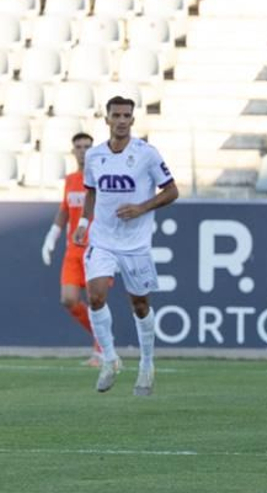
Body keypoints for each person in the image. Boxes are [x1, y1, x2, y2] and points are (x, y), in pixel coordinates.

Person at [74, 97, 179, 396]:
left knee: (140, 305)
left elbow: (172, 190)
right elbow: (91, 191)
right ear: (106, 119)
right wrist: (84, 223)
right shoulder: (94, 156)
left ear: (133, 120)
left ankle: (147, 363)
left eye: (127, 116)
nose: (121, 120)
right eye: (116, 115)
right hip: (103, 240)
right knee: (95, 296)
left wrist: (142, 207)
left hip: (135, 244)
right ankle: (110, 359)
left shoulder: (146, 154)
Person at [41, 131, 101, 363]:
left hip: (96, 248)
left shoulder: (100, 179)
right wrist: (51, 237)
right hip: (73, 250)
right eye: (79, 146)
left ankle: (101, 349)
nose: (83, 150)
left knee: (96, 300)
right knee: (69, 299)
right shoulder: (71, 180)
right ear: (73, 150)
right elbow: (65, 210)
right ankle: (102, 337)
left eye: (87, 146)